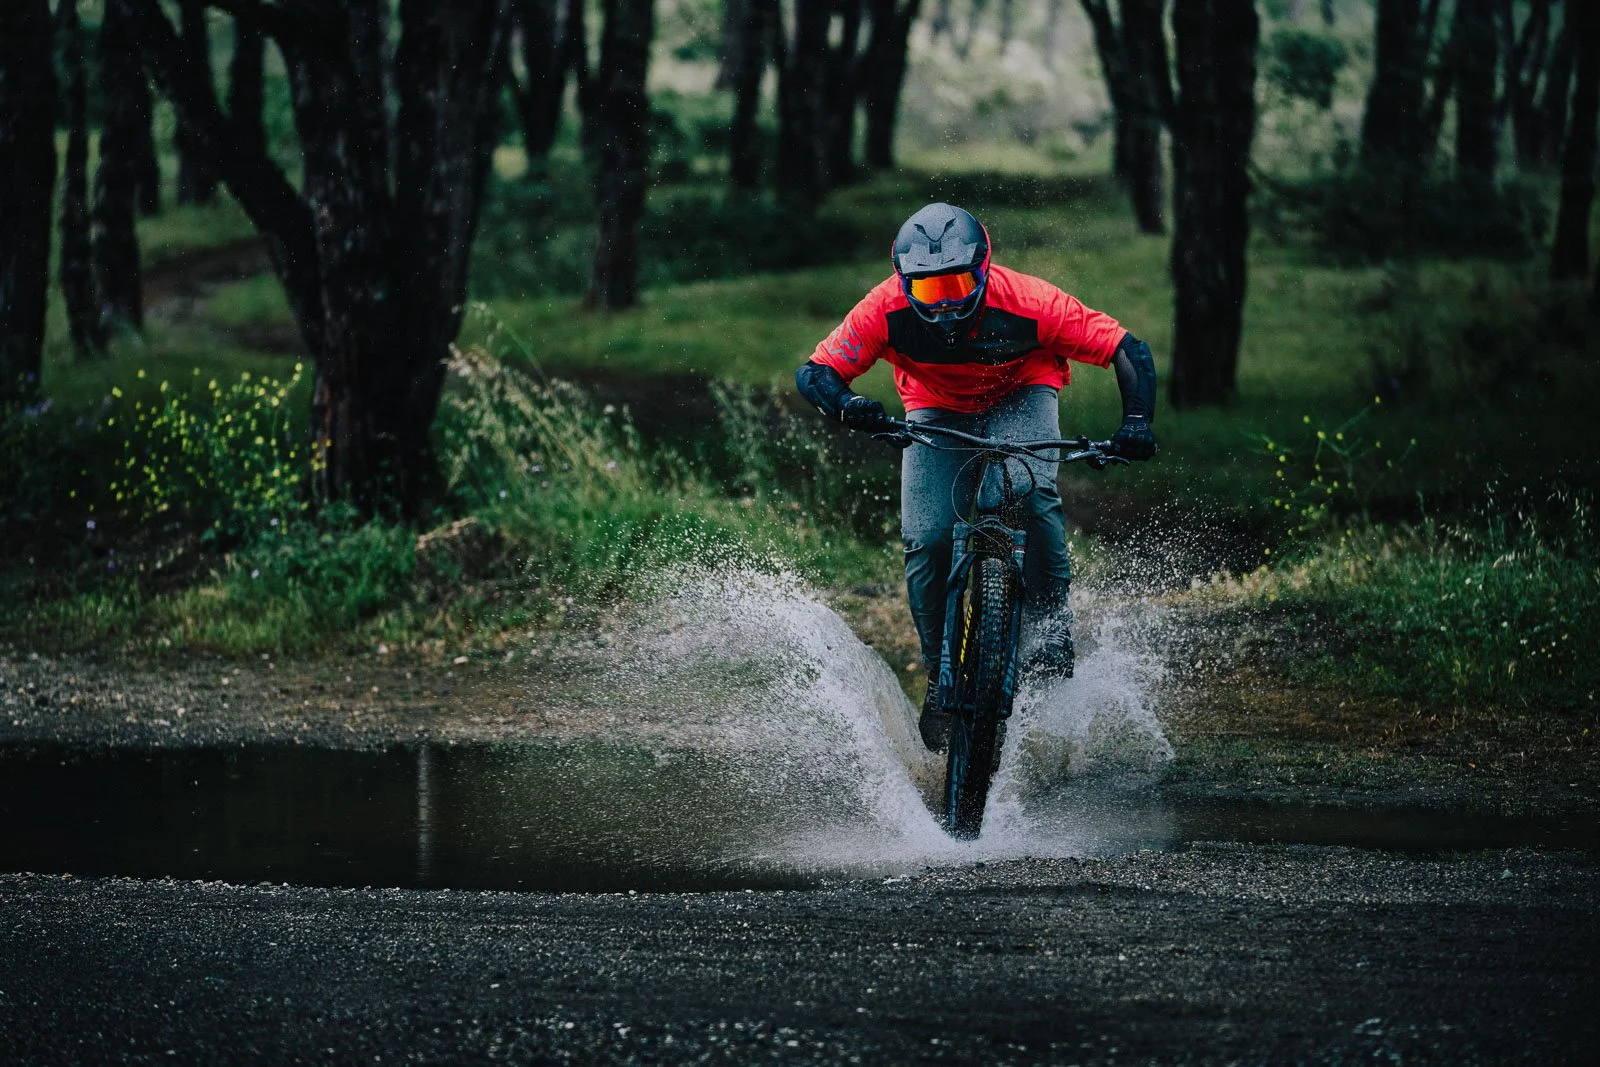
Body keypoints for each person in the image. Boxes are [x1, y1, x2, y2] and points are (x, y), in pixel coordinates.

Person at [795, 202, 1159, 752]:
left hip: (1022, 394)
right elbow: (816, 372)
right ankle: (942, 678)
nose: (942, 306)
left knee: (1029, 495)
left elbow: (1126, 349)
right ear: (903, 282)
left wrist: (1135, 422)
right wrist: (848, 405)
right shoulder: (882, 309)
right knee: (929, 537)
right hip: (935, 410)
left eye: (956, 286)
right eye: (927, 291)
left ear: (984, 269)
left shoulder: (1031, 302)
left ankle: (1049, 628)